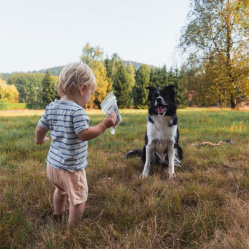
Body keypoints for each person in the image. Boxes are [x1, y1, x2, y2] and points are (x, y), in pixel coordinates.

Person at [35, 62, 117, 226]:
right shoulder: (78, 111)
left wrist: (40, 139)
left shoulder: (51, 107)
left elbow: (39, 129)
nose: (90, 97)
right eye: (91, 92)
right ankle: (73, 227)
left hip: (53, 167)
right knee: (78, 199)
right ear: (83, 88)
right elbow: (84, 134)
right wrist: (104, 125)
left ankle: (58, 214)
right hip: (71, 168)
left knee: (60, 190)